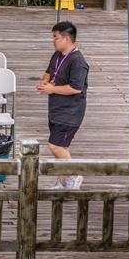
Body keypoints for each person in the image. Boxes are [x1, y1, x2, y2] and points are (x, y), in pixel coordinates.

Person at [37, 21, 89, 190]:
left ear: (67, 39)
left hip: (71, 112)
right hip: (56, 109)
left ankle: (75, 174)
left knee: (55, 146)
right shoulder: (57, 55)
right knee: (62, 147)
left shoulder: (78, 61)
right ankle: (63, 182)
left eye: (55, 37)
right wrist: (45, 83)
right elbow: (48, 72)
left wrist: (52, 88)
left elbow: (75, 88)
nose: (53, 40)